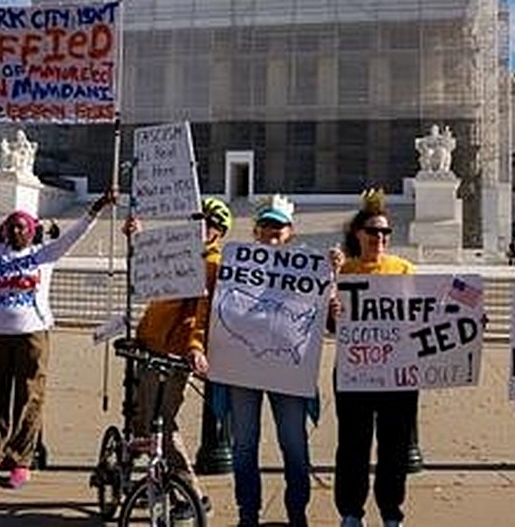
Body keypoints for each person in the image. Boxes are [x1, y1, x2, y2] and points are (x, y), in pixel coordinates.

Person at [0, 191, 115, 489]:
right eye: (12, 226)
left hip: (32, 333)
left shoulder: (44, 255)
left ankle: (21, 459)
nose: (16, 230)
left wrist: (97, 207)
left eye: (22, 226)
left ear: (32, 231)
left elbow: (76, 234)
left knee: (29, 396)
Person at [122, 197, 233, 517]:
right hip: (149, 344)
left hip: (175, 352)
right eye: (198, 220)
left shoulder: (212, 263)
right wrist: (137, 238)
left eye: (210, 224)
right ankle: (159, 482)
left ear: (219, 232)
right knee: (142, 418)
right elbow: (148, 272)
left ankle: (193, 495)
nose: (202, 227)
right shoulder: (180, 251)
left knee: (163, 425)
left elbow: (203, 311)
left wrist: (196, 346)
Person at [331, 189, 417, 527]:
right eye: (373, 231)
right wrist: (331, 310)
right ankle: (351, 512)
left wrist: (466, 318)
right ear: (358, 234)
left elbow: (426, 314)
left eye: (385, 232)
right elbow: (331, 325)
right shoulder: (344, 271)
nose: (379, 237)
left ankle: (391, 512)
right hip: (355, 371)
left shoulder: (404, 269)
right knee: (352, 445)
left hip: (397, 374)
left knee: (394, 447)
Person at [227, 194, 314, 527]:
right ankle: (247, 512)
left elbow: (319, 311)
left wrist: (333, 278)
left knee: (294, 443)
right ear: (256, 231)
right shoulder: (235, 264)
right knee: (244, 445)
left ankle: (297, 511)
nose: (272, 231)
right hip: (244, 366)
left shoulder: (308, 267)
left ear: (290, 232)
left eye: (278, 226)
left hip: (287, 369)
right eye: (265, 225)